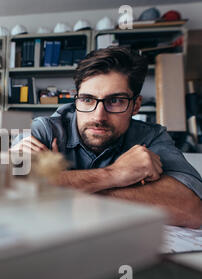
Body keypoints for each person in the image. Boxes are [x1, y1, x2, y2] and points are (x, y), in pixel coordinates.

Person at [11, 47, 202, 228]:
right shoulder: (45, 130)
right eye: (87, 99)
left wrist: (60, 185)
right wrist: (114, 174)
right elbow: (6, 193)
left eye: (116, 101)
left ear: (136, 105)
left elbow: (193, 209)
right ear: (76, 99)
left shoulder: (151, 137)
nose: (98, 117)